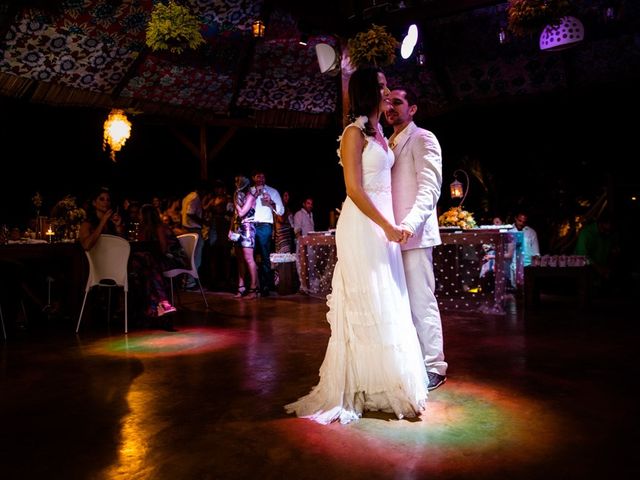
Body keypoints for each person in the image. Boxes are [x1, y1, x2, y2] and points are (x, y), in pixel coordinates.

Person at [285, 67, 427, 425]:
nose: (387, 90)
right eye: (381, 86)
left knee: (389, 299)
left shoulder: (379, 133)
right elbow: (353, 189)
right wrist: (387, 226)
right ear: (367, 91)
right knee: (369, 298)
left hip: (385, 227)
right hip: (364, 225)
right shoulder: (352, 133)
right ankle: (362, 385)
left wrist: (395, 226)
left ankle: (386, 382)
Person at [385, 87, 448, 391]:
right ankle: (411, 361)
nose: (390, 107)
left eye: (397, 102)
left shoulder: (423, 138)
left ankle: (435, 365)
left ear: (413, 109)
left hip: (415, 235)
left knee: (422, 302)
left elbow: (430, 188)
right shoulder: (387, 144)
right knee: (399, 304)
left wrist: (409, 224)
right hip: (390, 238)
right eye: (387, 103)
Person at [250, 169, 284, 296]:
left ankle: (265, 286)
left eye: (263, 176)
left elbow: (281, 211)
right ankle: (253, 286)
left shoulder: (272, 191)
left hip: (265, 226)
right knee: (250, 257)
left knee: (265, 257)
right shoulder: (249, 191)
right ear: (253, 177)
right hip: (250, 225)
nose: (261, 179)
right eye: (258, 176)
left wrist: (271, 202)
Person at [230, 176, 259, 299]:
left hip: (247, 228)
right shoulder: (239, 196)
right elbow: (235, 215)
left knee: (249, 259)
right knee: (239, 259)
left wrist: (235, 201)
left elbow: (242, 213)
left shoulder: (251, 196)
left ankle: (254, 289)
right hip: (238, 227)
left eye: (238, 182)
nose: (236, 185)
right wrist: (230, 229)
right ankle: (241, 287)